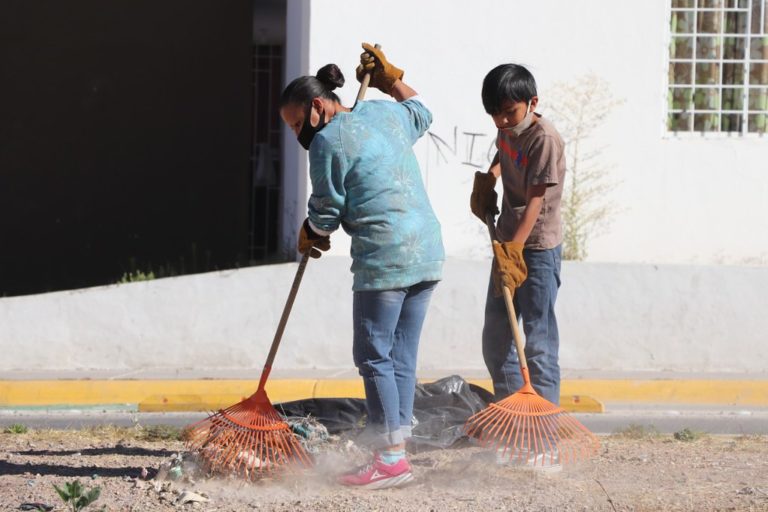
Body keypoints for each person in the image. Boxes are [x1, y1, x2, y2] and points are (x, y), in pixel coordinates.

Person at [279, 43, 444, 489]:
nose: (298, 135)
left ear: (317, 106)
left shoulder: (327, 142)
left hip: (385, 257)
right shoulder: (383, 115)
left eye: (297, 124)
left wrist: (310, 231)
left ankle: (389, 460)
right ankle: (397, 454)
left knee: (373, 354)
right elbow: (421, 112)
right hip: (427, 250)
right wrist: (392, 83)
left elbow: (327, 210)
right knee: (400, 356)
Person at [470, 64, 566, 455]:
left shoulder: (545, 139)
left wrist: (515, 251)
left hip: (537, 248)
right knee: (497, 340)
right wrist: (489, 178)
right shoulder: (508, 126)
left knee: (539, 344)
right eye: (496, 114)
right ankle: (513, 429)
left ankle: (543, 442)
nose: (503, 121)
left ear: (532, 103)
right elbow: (503, 155)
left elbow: (536, 201)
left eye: (510, 112)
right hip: (508, 241)